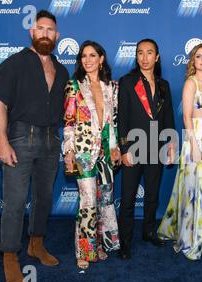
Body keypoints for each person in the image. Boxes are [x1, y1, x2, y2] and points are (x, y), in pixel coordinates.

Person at [0, 10, 69, 282]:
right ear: (31, 32)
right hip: (21, 137)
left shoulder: (61, 70)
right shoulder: (13, 64)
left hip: (51, 140)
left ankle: (36, 244)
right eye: (40, 29)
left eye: (50, 29)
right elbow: (0, 104)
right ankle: (10, 255)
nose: (45, 33)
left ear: (57, 36)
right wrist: (3, 142)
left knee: (44, 198)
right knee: (13, 201)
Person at [157, 43, 202, 260]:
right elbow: (187, 117)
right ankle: (193, 237)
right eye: (199, 56)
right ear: (193, 61)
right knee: (195, 188)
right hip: (196, 139)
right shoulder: (191, 83)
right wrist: (195, 146)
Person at [63, 41, 121, 269]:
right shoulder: (74, 86)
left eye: (92, 55)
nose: (87, 60)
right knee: (88, 202)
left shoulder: (112, 87)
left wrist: (115, 148)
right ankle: (83, 251)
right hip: (84, 151)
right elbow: (68, 122)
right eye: (83, 56)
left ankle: (99, 244)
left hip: (106, 152)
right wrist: (68, 151)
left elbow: (113, 122)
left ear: (101, 59)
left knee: (104, 200)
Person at [117, 39, 176, 259]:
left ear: (157, 57)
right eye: (140, 53)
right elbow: (121, 118)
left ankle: (149, 231)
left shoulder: (164, 85)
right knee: (128, 198)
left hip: (157, 148)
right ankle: (125, 242)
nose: (144, 57)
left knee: (152, 195)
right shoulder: (127, 81)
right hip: (134, 147)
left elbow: (168, 117)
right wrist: (124, 149)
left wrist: (171, 145)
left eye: (149, 53)